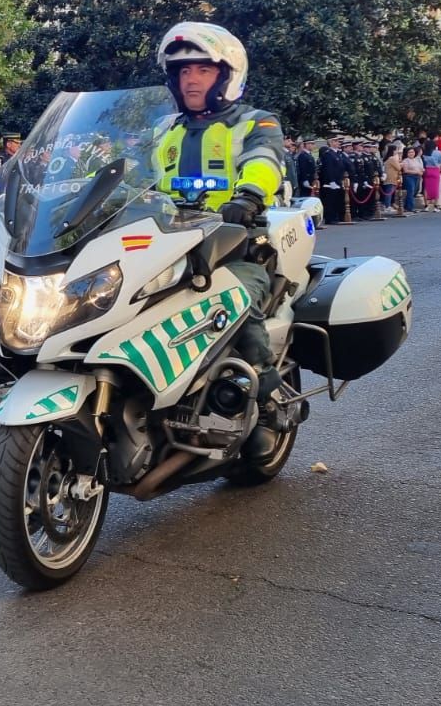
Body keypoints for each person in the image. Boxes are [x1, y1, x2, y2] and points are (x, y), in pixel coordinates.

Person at [150, 22, 287, 415]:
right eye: (183, 71)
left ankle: (266, 392)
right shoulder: (163, 129)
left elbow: (264, 161)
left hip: (235, 246)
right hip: (165, 246)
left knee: (233, 298)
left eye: (202, 70)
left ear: (226, 75)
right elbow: (127, 171)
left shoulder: (255, 121)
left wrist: (247, 196)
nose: (190, 80)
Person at [318, 136, 352, 223]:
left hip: (338, 180)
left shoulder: (337, 153)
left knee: (337, 200)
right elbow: (328, 169)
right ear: (331, 142)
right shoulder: (328, 154)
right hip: (330, 182)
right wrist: (331, 181)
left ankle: (336, 217)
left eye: (338, 141)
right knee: (331, 201)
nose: (338, 143)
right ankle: (330, 218)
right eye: (336, 141)